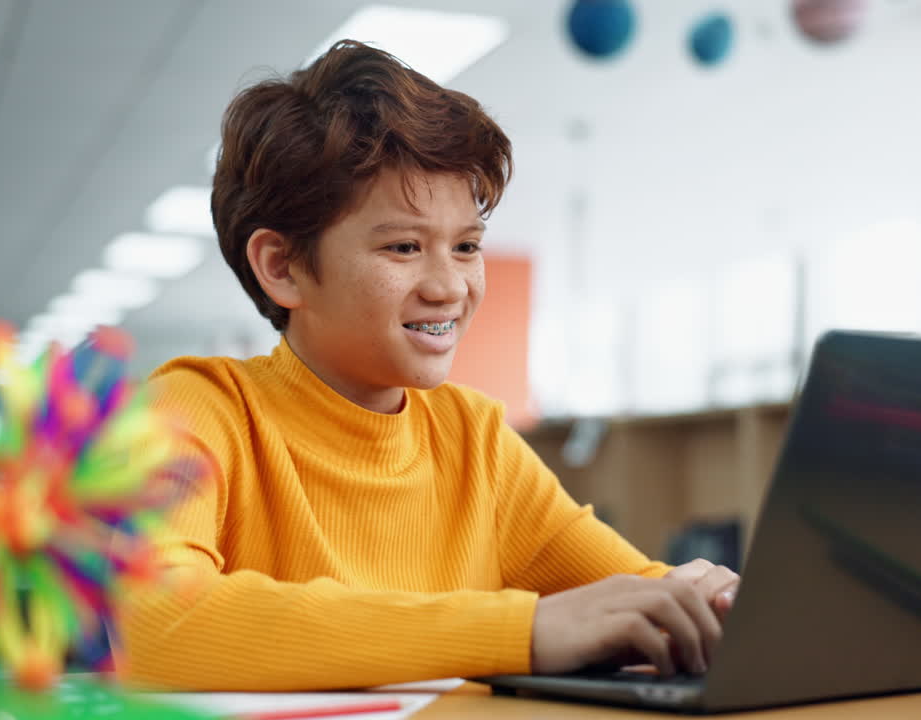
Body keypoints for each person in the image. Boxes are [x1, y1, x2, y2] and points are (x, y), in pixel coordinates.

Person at [115, 40, 739, 691]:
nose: (449, 286)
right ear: (283, 266)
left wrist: (710, 606)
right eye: (405, 246)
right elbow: (152, 620)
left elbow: (636, 603)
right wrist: (518, 631)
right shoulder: (194, 409)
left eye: (467, 245)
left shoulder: (475, 441)